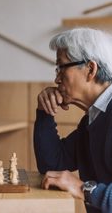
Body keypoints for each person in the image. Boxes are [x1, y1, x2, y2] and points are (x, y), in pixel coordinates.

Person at [33, 27, 112, 212]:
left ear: (90, 69)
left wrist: (81, 188)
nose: (56, 78)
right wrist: (44, 111)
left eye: (61, 67)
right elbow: (51, 164)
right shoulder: (93, 119)